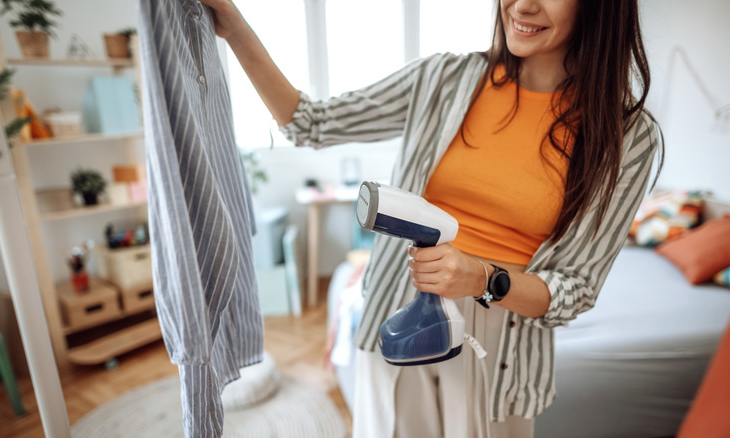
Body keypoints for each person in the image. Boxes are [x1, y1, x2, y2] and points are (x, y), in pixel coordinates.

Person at [200, 0, 662, 436]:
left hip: (503, 340)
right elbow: (310, 122)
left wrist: (480, 277)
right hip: (400, 305)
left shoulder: (627, 138)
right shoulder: (444, 78)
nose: (522, 5)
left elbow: (575, 289)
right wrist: (236, 29)